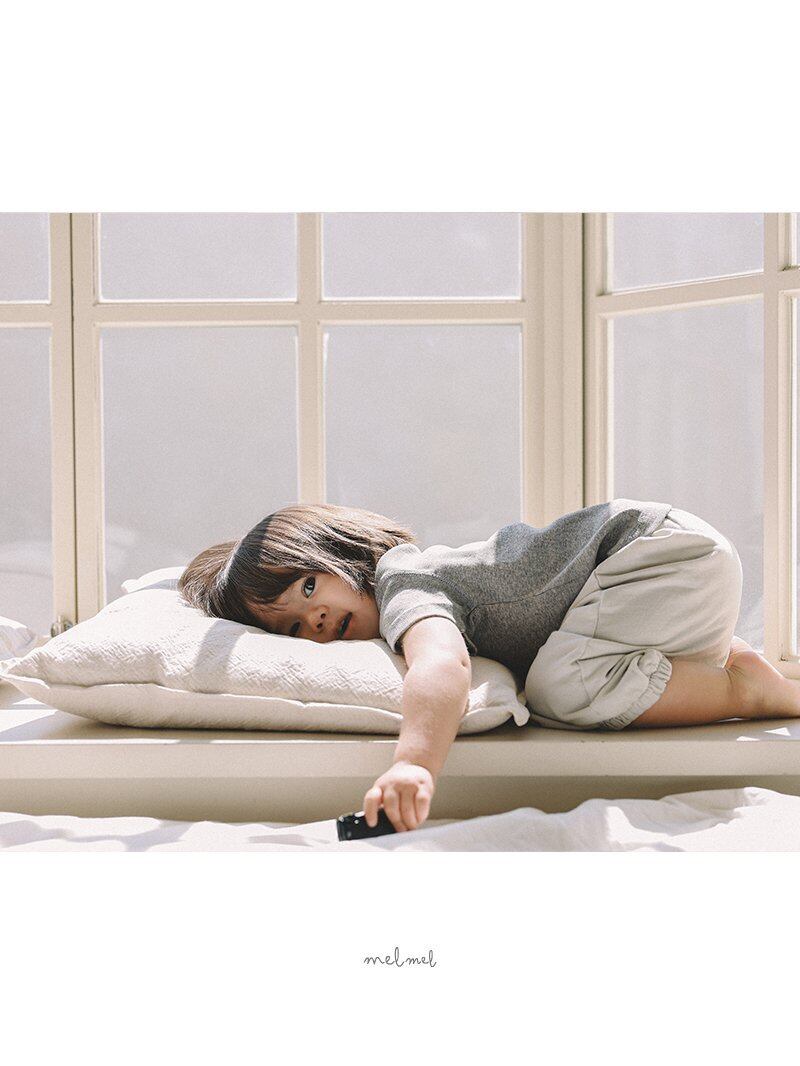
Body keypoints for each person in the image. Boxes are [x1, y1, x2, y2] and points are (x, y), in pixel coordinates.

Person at [178, 500, 800, 834]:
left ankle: (744, 687)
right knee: (566, 676)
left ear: (340, 551)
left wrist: (413, 764)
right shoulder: (410, 583)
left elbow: (441, 664)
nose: (312, 619)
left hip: (656, 556)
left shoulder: (402, 583)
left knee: (558, 689)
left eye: (309, 587)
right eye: (290, 627)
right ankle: (720, 669)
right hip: (671, 562)